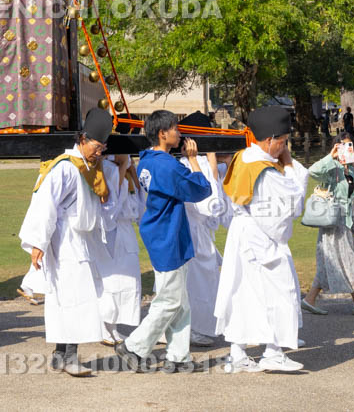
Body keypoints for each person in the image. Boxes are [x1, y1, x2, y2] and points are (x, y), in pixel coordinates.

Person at [18, 108, 116, 377]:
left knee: (73, 298)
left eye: (103, 147)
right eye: (97, 146)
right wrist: (38, 242)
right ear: (83, 139)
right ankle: (69, 355)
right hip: (64, 243)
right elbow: (45, 205)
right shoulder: (64, 167)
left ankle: (61, 355)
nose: (100, 152)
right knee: (73, 298)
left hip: (80, 241)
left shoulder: (88, 168)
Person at [114, 110, 211, 375]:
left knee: (180, 299)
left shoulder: (147, 160)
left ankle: (178, 355)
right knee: (170, 299)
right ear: (162, 133)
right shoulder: (167, 165)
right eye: (176, 129)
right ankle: (134, 346)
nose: (179, 134)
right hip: (168, 235)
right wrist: (193, 160)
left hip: (161, 232)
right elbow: (201, 188)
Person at [214, 106, 307, 373]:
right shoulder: (264, 170)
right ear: (269, 140)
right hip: (263, 236)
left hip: (241, 232)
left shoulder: (242, 158)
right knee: (281, 291)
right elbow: (291, 205)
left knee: (241, 292)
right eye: (283, 142)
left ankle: (238, 353)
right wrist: (289, 165)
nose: (284, 147)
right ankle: (274, 352)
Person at [301, 134, 354, 316]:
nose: (348, 148)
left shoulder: (352, 170)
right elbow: (312, 171)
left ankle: (309, 299)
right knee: (347, 262)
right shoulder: (331, 167)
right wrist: (332, 156)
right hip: (331, 223)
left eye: (349, 145)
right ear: (337, 147)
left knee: (331, 264)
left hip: (346, 223)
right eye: (344, 145)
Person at [178, 111, 232, 347]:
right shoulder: (187, 162)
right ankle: (191, 328)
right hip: (191, 227)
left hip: (200, 230)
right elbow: (209, 204)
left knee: (205, 279)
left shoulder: (200, 161)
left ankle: (199, 326)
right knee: (196, 281)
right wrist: (210, 160)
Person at [95, 152, 145, 346]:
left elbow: (141, 196)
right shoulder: (107, 168)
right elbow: (109, 202)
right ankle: (105, 327)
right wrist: (123, 167)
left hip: (125, 231)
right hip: (110, 231)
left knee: (128, 281)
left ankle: (114, 326)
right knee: (110, 282)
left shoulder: (128, 170)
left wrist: (130, 168)